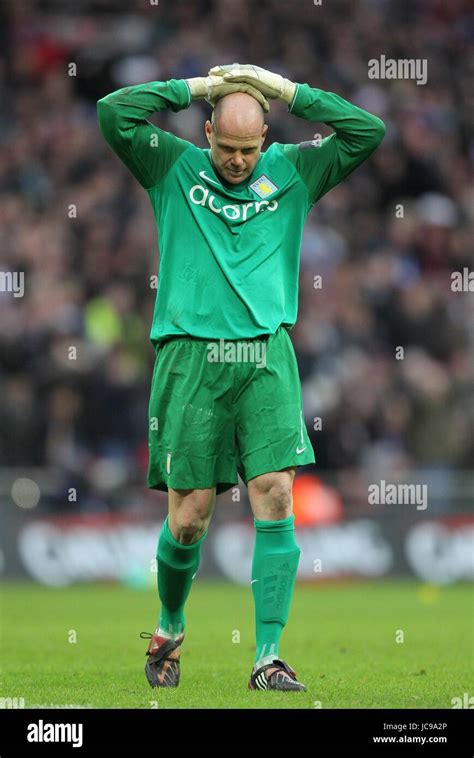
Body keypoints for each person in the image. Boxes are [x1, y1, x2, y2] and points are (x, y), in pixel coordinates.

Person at [97, 64, 385, 692]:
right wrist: (195, 87)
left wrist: (290, 91)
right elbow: (112, 112)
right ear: (205, 133)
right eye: (225, 147)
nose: (235, 160)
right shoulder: (171, 165)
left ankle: (268, 657)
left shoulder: (293, 170)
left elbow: (367, 131)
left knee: (276, 494)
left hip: (265, 357)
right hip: (190, 357)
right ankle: (170, 627)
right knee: (191, 516)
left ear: (266, 137)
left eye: (247, 149)